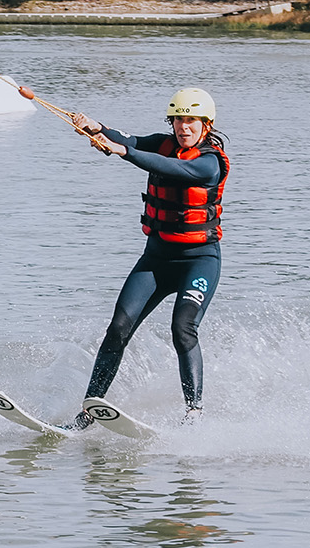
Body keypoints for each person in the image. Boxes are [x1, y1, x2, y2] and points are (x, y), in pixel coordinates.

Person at [66, 88, 229, 428]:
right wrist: (96, 127)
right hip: (155, 260)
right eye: (178, 120)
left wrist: (121, 151)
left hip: (199, 261)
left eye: (191, 121)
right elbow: (131, 139)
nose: (183, 127)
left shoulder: (209, 162)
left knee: (182, 328)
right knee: (118, 329)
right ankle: (88, 412)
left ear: (206, 124)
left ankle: (194, 413)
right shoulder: (164, 141)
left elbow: (163, 165)